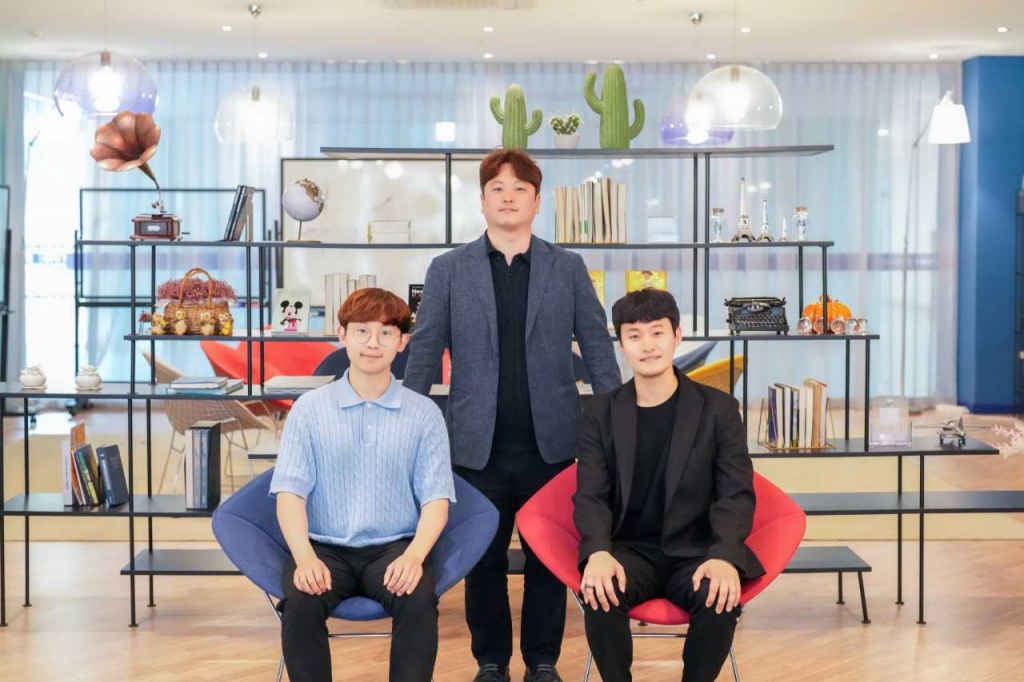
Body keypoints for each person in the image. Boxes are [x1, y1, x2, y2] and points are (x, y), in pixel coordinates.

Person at [404, 149, 621, 682]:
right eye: (497, 188)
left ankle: (542, 661)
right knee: (484, 560)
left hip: (553, 444)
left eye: (520, 188)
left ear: (537, 202)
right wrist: (405, 423)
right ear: (482, 201)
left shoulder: (567, 268)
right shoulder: (448, 269)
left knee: (549, 559)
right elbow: (424, 352)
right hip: (475, 447)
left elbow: (597, 348)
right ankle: (491, 661)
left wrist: (618, 420)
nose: (508, 197)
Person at [573, 288, 765, 682]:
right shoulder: (599, 413)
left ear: (677, 335)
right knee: (599, 591)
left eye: (657, 332)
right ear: (621, 344)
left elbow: (735, 493)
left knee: (718, 597)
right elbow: (590, 494)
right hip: (629, 551)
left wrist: (725, 556)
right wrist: (597, 552)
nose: (647, 346)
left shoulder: (719, 410)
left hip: (698, 550)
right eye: (634, 335)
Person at [270, 287, 457, 682]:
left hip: (394, 547)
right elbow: (290, 494)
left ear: (403, 342)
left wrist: (414, 557)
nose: (373, 343)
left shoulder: (424, 414)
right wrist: (304, 557)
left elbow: (436, 499)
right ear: (342, 335)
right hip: (323, 546)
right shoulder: (309, 409)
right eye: (362, 331)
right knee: (300, 603)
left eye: (386, 333)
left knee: (418, 600)